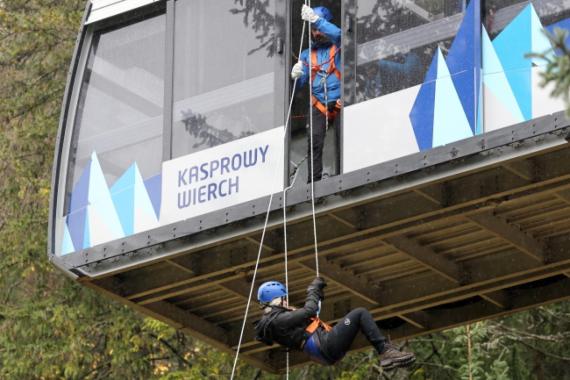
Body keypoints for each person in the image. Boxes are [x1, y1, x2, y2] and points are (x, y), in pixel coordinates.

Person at [254, 277, 416, 369]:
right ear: (277, 299)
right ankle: (386, 352)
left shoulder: (274, 323)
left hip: (322, 352)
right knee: (360, 313)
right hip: (324, 345)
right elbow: (309, 311)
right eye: (284, 298)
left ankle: (386, 353)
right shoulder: (278, 321)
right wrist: (313, 291)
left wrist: (316, 297)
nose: (286, 302)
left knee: (358, 322)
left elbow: (308, 316)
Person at [291, 5, 341, 183]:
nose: (316, 33)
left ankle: (341, 173)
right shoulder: (307, 55)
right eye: (313, 30)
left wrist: (316, 20)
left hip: (340, 100)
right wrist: (296, 76)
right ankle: (314, 182)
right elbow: (299, 86)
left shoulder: (338, 46)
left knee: (342, 137)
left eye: (319, 29)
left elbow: (340, 35)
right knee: (315, 141)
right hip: (318, 102)